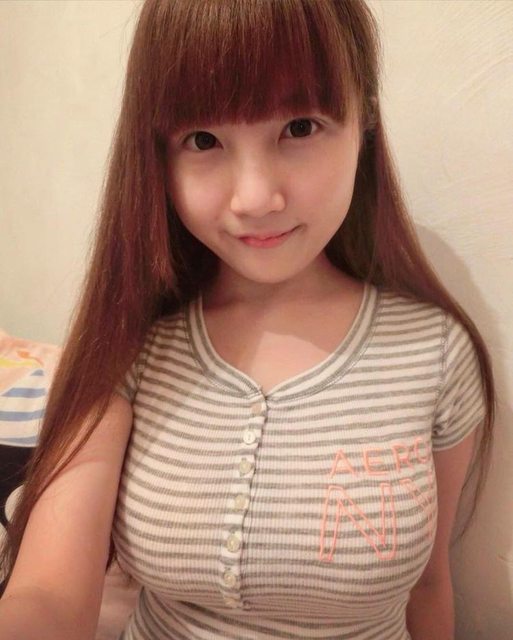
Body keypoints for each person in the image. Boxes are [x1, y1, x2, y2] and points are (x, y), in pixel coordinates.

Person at [0, 0, 495, 639]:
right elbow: (46, 593)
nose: (256, 198)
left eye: (299, 127)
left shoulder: (434, 353)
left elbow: (428, 586)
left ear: (365, 122)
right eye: (203, 140)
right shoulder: (132, 346)